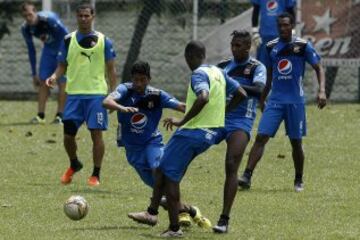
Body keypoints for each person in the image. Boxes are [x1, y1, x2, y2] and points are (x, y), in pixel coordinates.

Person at [127, 40, 247, 237]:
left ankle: (173, 228)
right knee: (162, 171)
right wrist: (223, 112)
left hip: (191, 133)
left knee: (168, 176)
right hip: (209, 134)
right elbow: (241, 93)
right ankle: (152, 212)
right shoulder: (218, 72)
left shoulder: (198, 74)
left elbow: (203, 97)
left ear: (189, 57)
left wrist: (182, 120)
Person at [103, 60, 210, 228]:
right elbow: (107, 101)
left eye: (143, 80)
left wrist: (201, 109)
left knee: (159, 168)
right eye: (136, 80)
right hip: (132, 150)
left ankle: (160, 217)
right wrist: (122, 108)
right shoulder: (124, 90)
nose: (139, 84)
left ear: (149, 79)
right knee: (161, 191)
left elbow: (182, 106)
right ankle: (190, 211)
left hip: (152, 142)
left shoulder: (157, 95)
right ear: (132, 79)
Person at [238, 12, 327, 192]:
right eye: (280, 26)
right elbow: (269, 77)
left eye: (286, 25)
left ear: (292, 25)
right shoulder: (271, 47)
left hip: (295, 102)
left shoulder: (302, 46)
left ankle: (299, 178)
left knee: (296, 142)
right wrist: (262, 99)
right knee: (261, 136)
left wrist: (322, 90)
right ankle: (247, 175)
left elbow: (318, 67)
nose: (283, 28)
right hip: (275, 101)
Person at [45, 3, 117, 186]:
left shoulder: (104, 41)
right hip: (74, 95)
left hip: (97, 96)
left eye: (87, 16)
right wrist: (53, 77)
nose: (84, 19)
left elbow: (111, 70)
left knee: (96, 135)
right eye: (81, 16)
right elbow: (62, 65)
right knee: (68, 136)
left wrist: (114, 94)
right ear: (76, 17)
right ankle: (74, 163)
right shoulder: (68, 40)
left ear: (93, 17)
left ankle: (96, 174)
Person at [212, 30, 266, 234]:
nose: (234, 49)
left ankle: (224, 219)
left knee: (231, 163)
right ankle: (173, 201)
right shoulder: (223, 65)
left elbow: (259, 90)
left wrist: (232, 85)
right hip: (217, 118)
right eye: (232, 45)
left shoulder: (256, 67)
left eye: (238, 46)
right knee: (187, 147)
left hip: (240, 122)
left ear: (248, 46)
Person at [21, 1, 68, 124]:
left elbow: (67, 36)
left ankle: (60, 116)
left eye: (30, 14)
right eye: (25, 16)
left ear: (35, 11)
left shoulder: (49, 19)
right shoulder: (25, 28)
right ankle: (40, 116)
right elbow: (31, 51)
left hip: (62, 48)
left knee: (63, 82)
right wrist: (33, 74)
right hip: (48, 51)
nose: (28, 18)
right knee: (43, 81)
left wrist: (66, 56)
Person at [251, 0, 296, 64]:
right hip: (264, 36)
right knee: (263, 64)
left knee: (282, 63)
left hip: (282, 35)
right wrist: (255, 31)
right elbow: (256, 9)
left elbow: (290, 10)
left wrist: (292, 30)